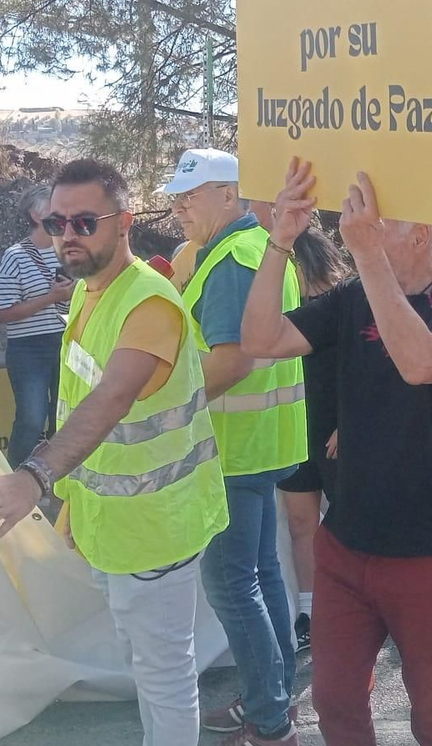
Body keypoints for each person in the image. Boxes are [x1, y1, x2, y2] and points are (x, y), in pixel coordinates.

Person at [0, 158, 229, 746]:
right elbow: (81, 405)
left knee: (164, 674)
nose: (68, 237)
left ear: (124, 222)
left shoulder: (147, 303)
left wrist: (34, 477)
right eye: (57, 223)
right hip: (113, 522)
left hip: (158, 529)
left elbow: (108, 399)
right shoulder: (87, 291)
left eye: (85, 222)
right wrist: (74, 506)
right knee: (147, 664)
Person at [241, 158, 432, 745]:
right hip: (346, 544)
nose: (363, 223)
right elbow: (259, 339)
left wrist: (368, 256)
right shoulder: (353, 297)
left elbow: (422, 363)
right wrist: (279, 240)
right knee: (333, 700)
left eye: (382, 220)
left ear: (422, 235)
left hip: (430, 551)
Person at [159, 148, 307, 745]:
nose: (179, 206)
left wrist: (167, 408)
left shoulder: (231, 260)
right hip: (259, 443)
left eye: (189, 195)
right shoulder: (249, 250)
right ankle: (271, 701)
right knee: (261, 573)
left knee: (231, 583)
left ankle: (271, 718)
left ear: (229, 195)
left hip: (234, 448)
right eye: (177, 196)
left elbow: (233, 360)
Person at [275, 222, 352, 654]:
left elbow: (363, 371)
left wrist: (350, 422)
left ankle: (350, 605)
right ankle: (310, 611)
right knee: (302, 523)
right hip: (294, 428)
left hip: (337, 429)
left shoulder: (341, 305)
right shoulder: (283, 314)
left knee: (344, 520)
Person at [0, 185, 74, 468]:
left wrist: (72, 292)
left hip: (65, 342)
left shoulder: (67, 251)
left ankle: (56, 481)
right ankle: (15, 477)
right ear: (35, 215)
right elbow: (5, 312)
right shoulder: (15, 256)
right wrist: (51, 297)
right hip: (28, 349)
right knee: (31, 417)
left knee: (62, 416)